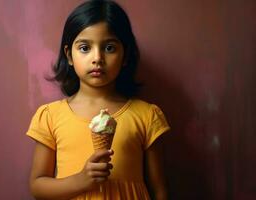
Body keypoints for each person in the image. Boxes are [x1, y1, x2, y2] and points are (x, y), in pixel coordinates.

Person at [26, 0, 170, 199]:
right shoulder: (51, 116)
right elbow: (37, 186)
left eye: (109, 48)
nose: (97, 58)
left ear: (125, 56)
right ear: (69, 55)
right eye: (85, 48)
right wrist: (80, 181)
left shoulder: (146, 115)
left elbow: (159, 190)